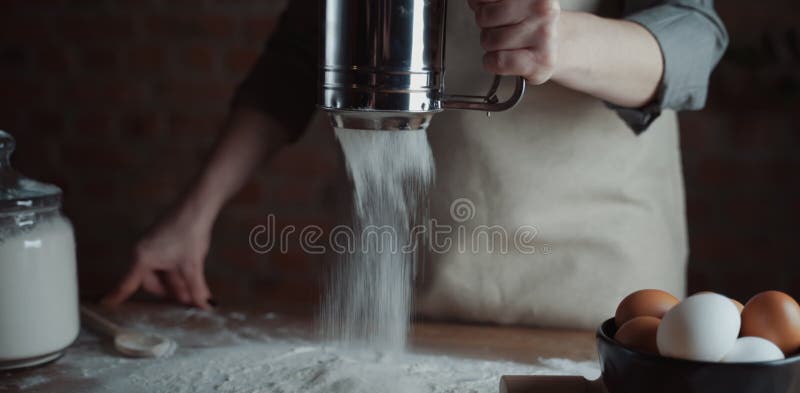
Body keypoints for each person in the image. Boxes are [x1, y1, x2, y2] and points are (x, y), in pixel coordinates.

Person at [103, 0, 728, 330]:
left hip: (600, 305)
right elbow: (297, 59)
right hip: (414, 291)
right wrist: (193, 216)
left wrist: (564, 41)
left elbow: (694, 37)